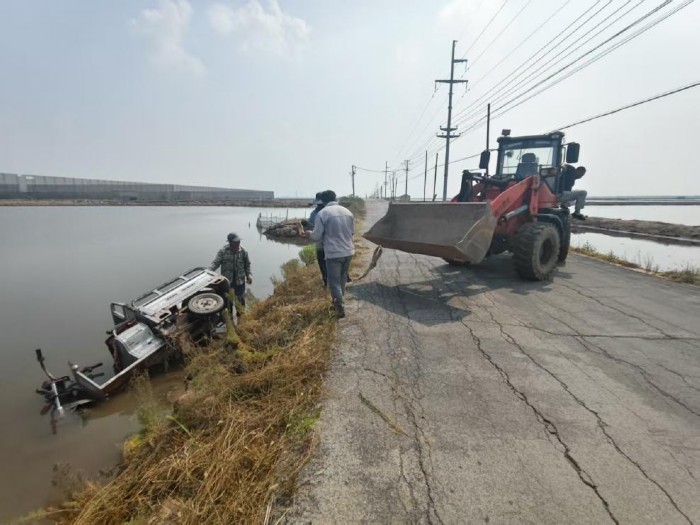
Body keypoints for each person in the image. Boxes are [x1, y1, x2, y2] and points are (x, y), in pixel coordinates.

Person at [305, 190, 355, 318]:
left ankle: (339, 307)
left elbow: (316, 237)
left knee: (334, 283)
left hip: (334, 254)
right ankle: (340, 302)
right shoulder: (347, 212)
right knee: (342, 279)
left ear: (323, 201)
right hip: (348, 251)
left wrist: (309, 234)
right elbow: (352, 232)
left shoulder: (322, 213)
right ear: (335, 198)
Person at [209, 232, 252, 311]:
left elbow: (247, 264)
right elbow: (215, 263)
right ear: (230, 242)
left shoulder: (243, 251)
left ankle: (241, 317)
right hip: (227, 283)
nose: (238, 243)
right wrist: (208, 273)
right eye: (236, 242)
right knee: (228, 304)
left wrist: (249, 275)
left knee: (240, 304)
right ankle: (230, 317)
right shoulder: (223, 251)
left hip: (240, 282)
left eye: (239, 241)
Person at [306, 192, 328, 286]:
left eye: (320, 204)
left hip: (329, 244)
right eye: (318, 205)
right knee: (323, 263)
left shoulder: (327, 212)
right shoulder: (314, 213)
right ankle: (326, 281)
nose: (319, 206)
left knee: (331, 263)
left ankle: (332, 281)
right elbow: (310, 226)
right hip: (321, 244)